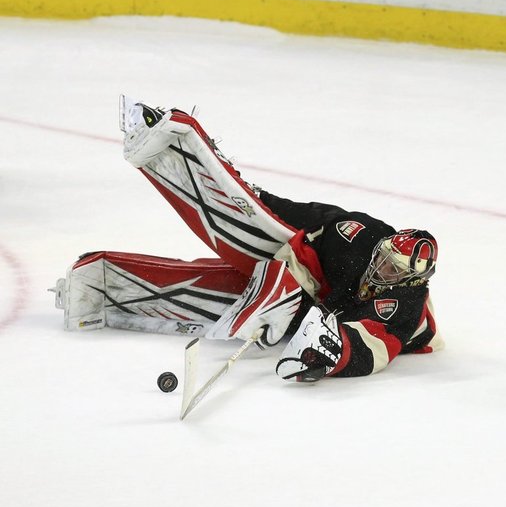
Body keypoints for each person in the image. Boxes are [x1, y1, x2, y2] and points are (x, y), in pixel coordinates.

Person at [53, 97, 442, 382]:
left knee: (219, 292)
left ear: (408, 280)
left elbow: (374, 347)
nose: (381, 264)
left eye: (391, 267)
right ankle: (177, 141)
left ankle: (102, 294)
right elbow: (305, 215)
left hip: (318, 314)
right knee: (271, 258)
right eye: (386, 256)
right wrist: (251, 197)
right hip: (303, 278)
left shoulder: (404, 305)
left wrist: (327, 354)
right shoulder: (361, 235)